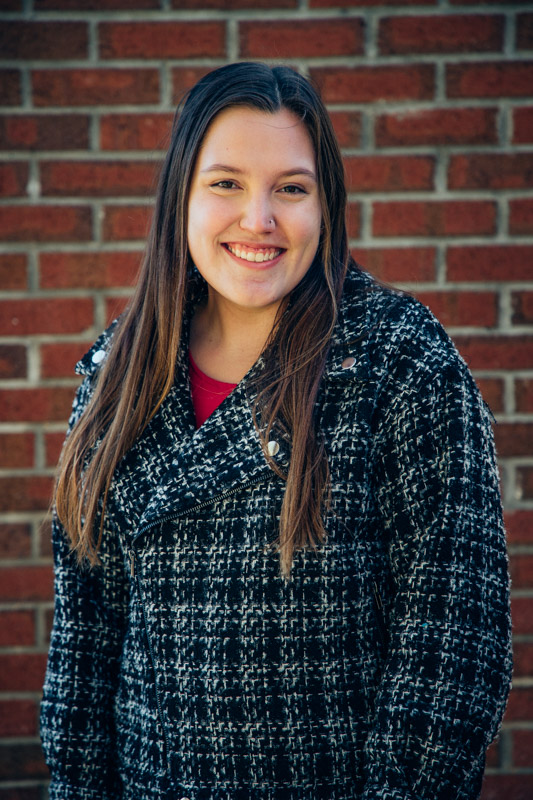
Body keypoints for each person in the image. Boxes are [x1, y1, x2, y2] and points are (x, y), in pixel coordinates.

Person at [40, 62, 512, 800]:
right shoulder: (118, 375)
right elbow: (83, 648)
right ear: (181, 198)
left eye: (291, 189)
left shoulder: (398, 362)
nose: (258, 218)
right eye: (226, 183)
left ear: (325, 207)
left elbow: (454, 644)